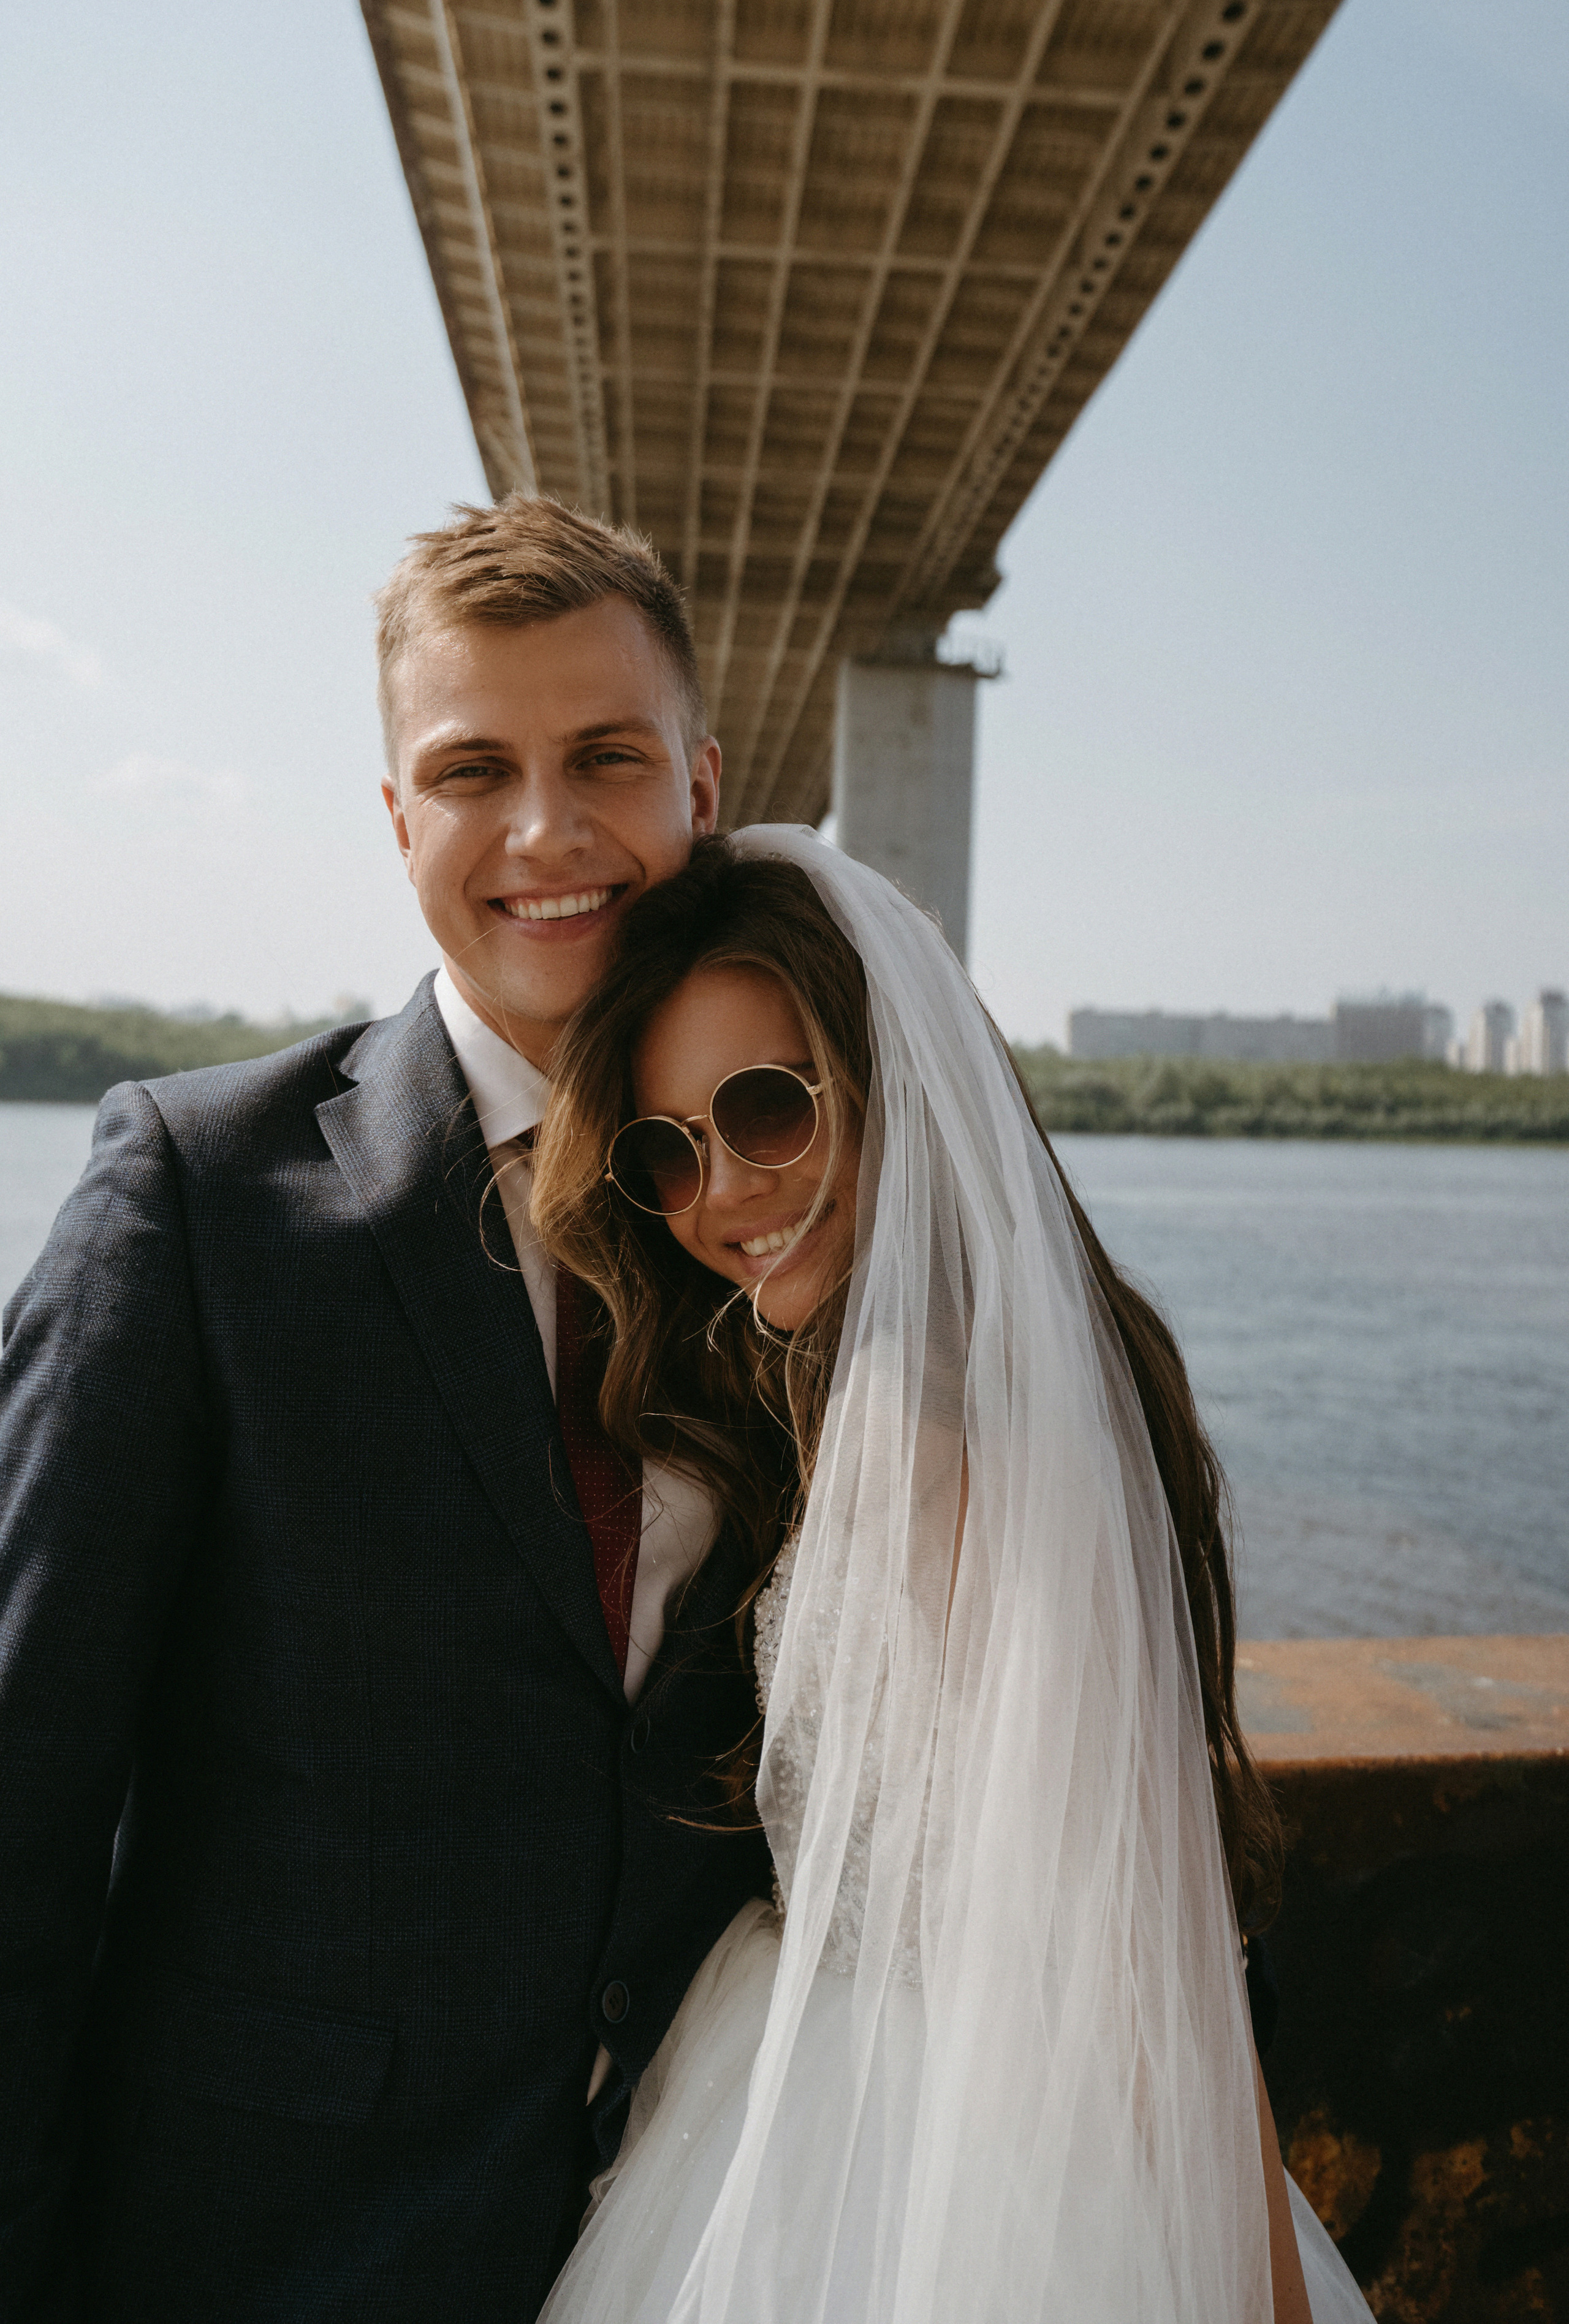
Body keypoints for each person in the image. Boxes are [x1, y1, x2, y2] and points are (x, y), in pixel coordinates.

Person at [0, 498, 773, 2320]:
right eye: (473, 768)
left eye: (605, 758)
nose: (545, 831)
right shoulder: (195, 1194)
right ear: (397, 816)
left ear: (699, 785)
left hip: (706, 2235)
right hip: (264, 2251)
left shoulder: (795, 1203)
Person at [528, 829, 1378, 2322]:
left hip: (934, 2158)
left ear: (889, 1085)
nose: (723, 1189)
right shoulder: (884, 1389)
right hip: (821, 2089)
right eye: (670, 1147)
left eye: (767, 1110)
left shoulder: (939, 1432)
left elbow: (1139, 1942)